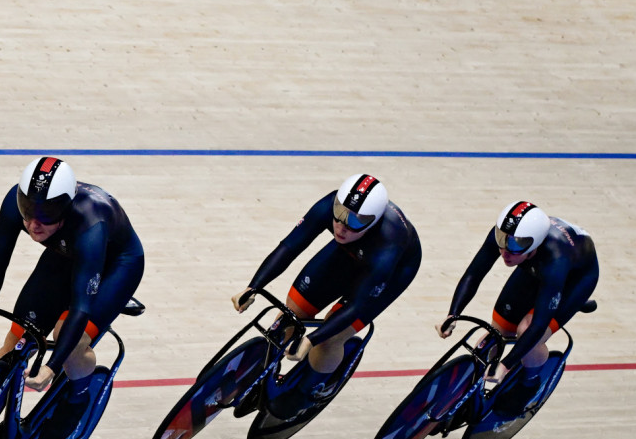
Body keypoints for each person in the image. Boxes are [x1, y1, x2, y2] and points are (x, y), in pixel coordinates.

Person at [0, 156, 145, 439]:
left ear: (66, 208)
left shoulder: (90, 221)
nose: (34, 224)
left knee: (69, 339)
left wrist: (51, 366)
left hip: (116, 265)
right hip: (66, 253)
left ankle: (77, 400)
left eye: (45, 215)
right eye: (28, 211)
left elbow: (81, 307)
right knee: (18, 338)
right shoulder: (17, 201)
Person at [233, 174, 421, 416]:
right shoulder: (333, 207)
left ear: (373, 222)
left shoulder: (389, 240)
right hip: (350, 252)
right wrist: (254, 286)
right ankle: (265, 374)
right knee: (291, 316)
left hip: (390, 273)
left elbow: (356, 306)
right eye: (339, 214)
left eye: (354, 221)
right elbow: (290, 246)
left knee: (329, 340)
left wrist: (312, 339)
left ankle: (308, 391)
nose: (341, 226)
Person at [438, 201, 598, 412]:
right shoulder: (509, 238)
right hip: (534, 267)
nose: (505, 251)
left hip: (573, 280)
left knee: (527, 330)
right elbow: (473, 274)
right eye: (502, 240)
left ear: (536, 245)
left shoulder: (555, 259)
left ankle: (529, 384)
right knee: (497, 332)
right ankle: (469, 389)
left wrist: (506, 364)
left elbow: (538, 325)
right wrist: (453, 314)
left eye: (515, 245)